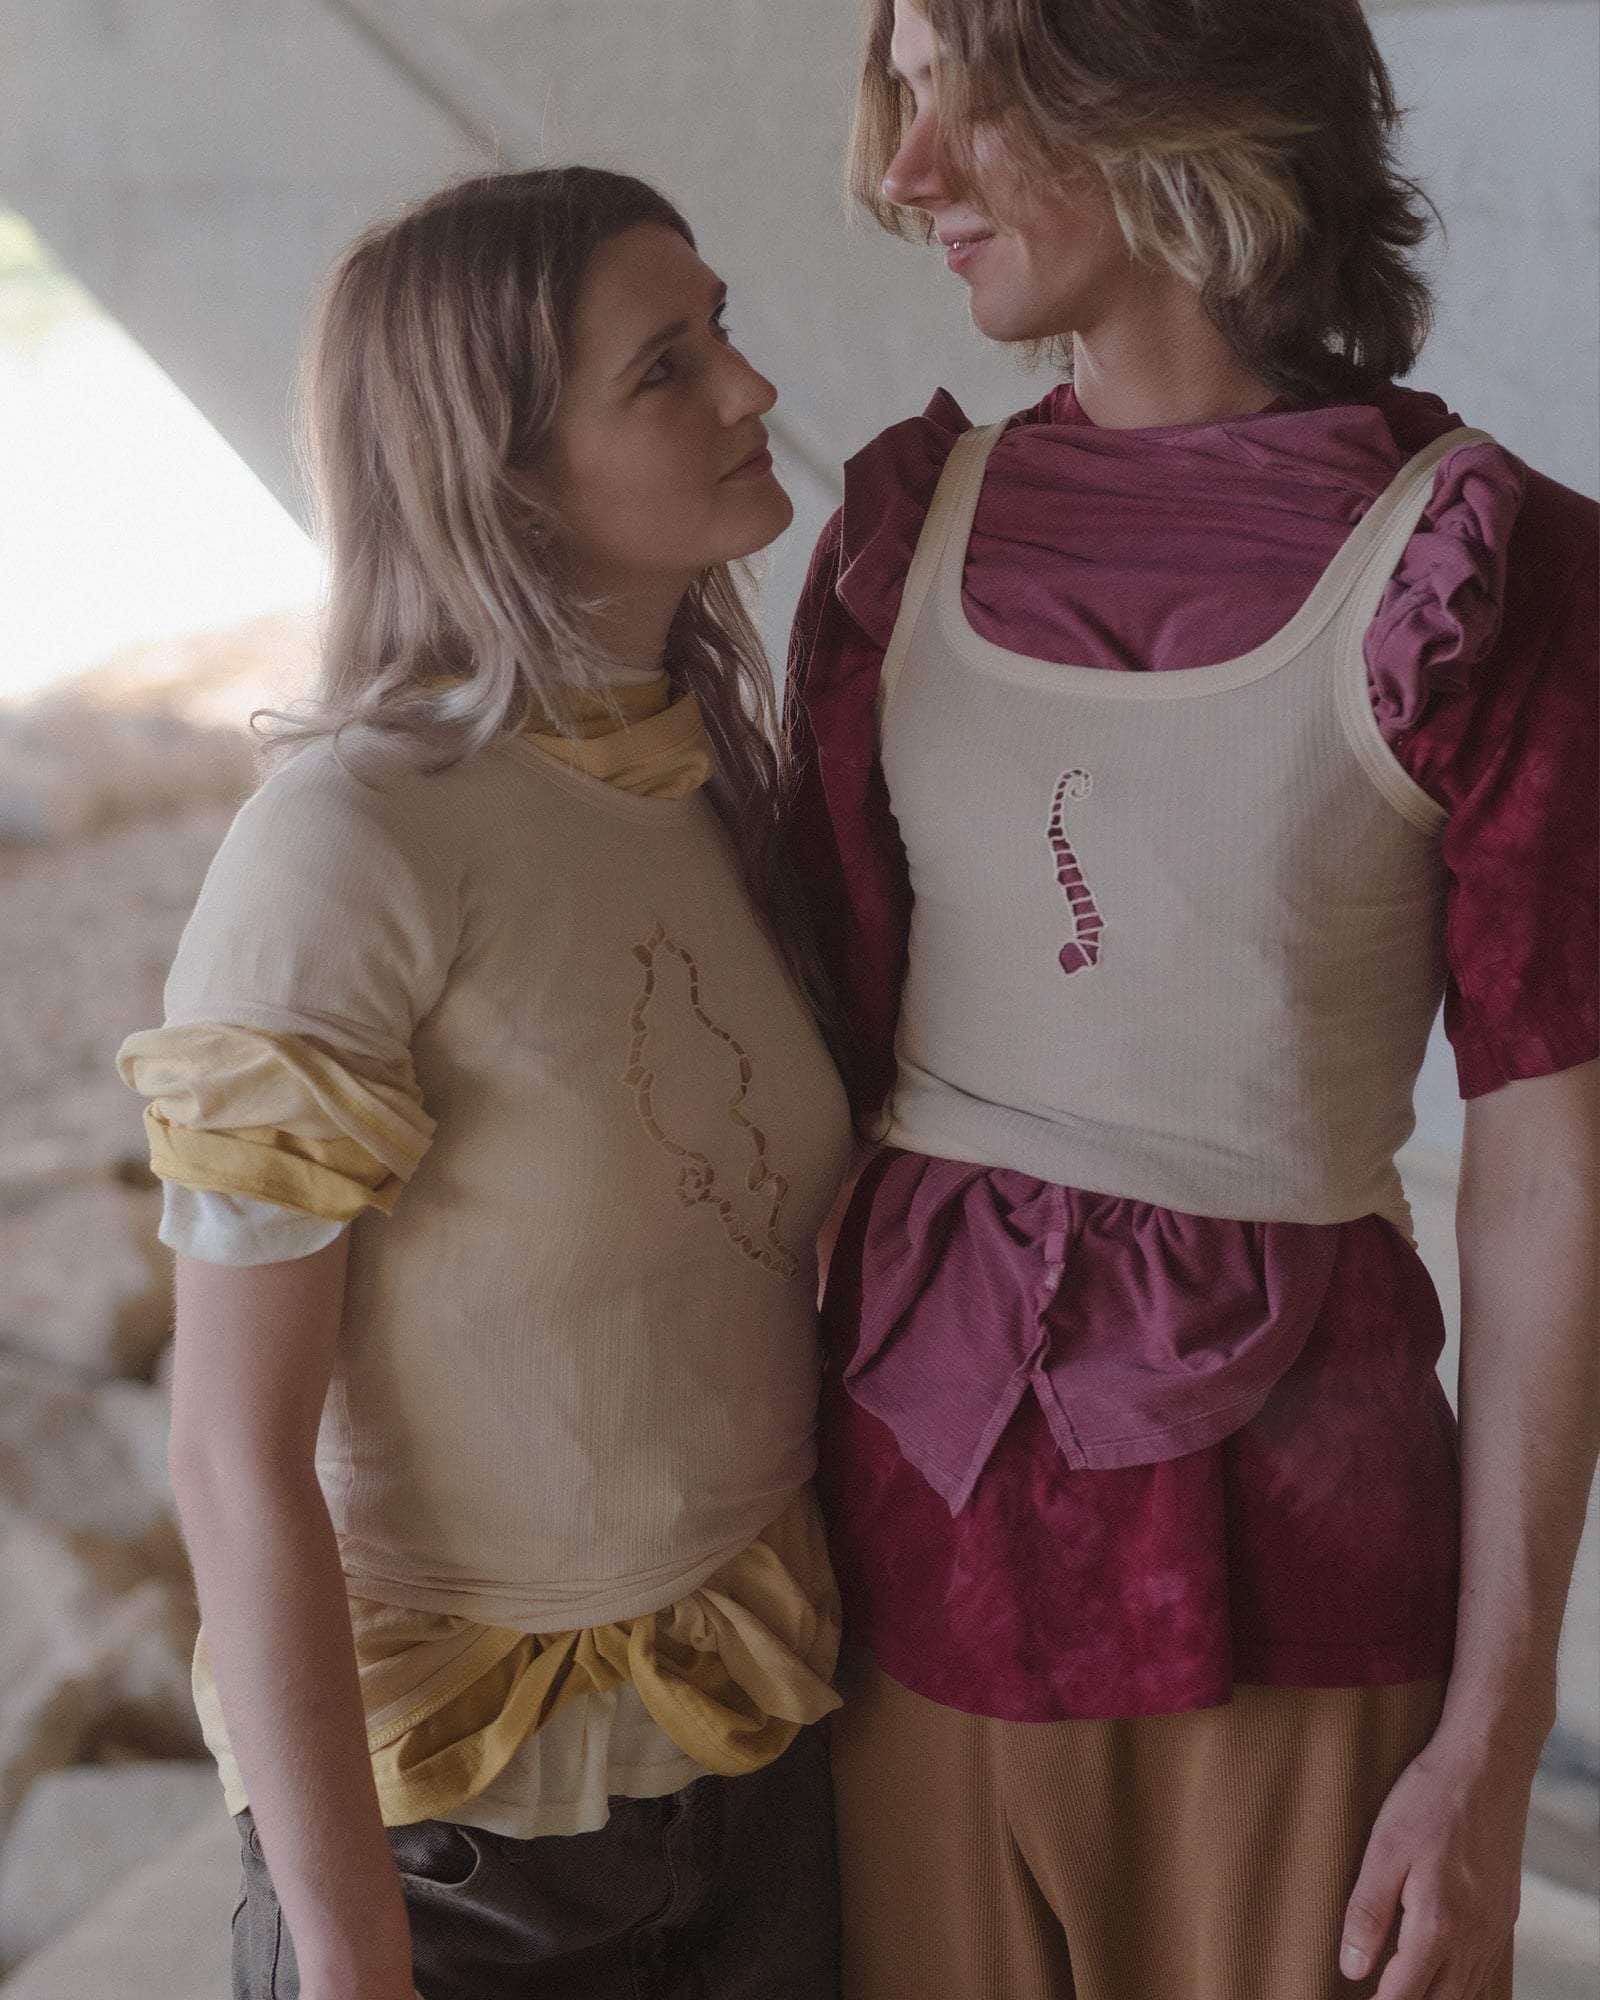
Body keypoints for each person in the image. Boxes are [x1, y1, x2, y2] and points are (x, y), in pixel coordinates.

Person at [783, 4, 1599, 1997]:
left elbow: (1547, 1171)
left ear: (1163, 98)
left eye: (968, 90)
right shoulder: (898, 533)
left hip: (1298, 1583)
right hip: (902, 1564)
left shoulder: (1485, 570)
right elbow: (800, 1089)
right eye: (902, 90)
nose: (907, 168)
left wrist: (1492, 1746)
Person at [118, 166, 852, 2000]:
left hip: (759, 1770)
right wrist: (351, 1956)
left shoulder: (711, 773)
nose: (752, 388)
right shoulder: (351, 841)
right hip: (456, 1856)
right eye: (666, 368)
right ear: (503, 475)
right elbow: (230, 1454)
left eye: (721, 329)